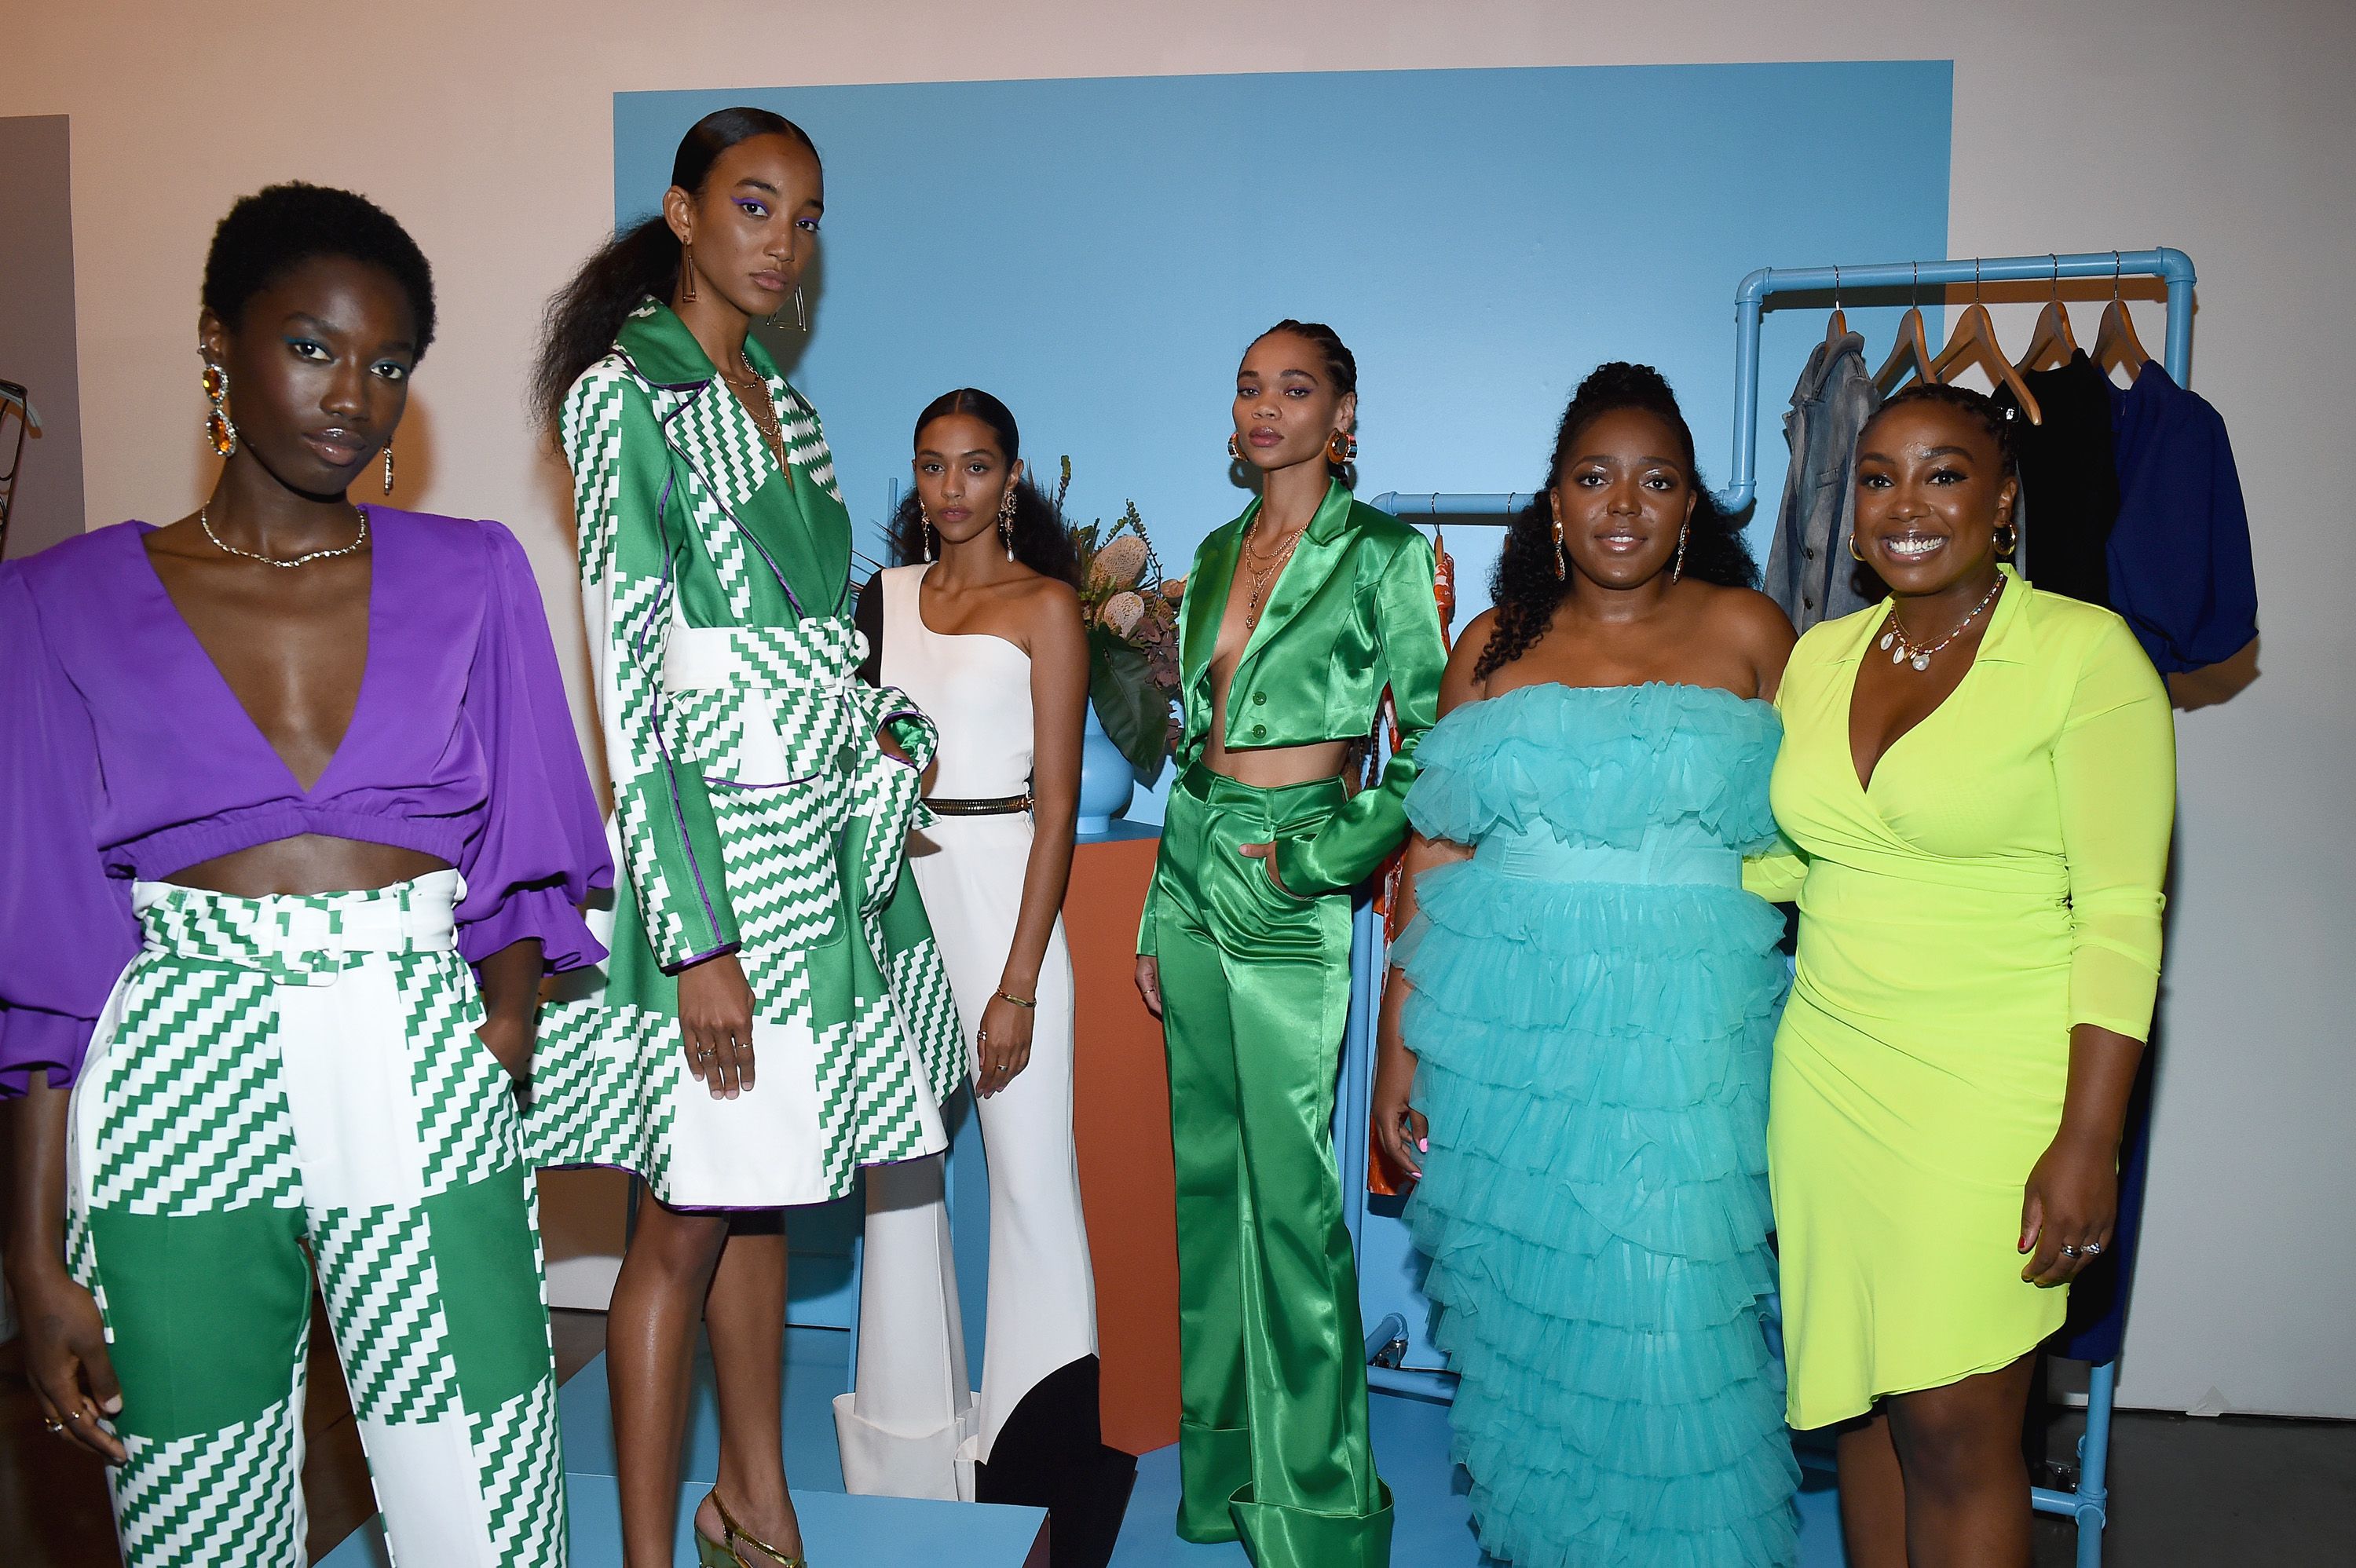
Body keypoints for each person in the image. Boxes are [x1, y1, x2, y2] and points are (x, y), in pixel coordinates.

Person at [0, 182, 609, 1568]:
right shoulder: (54, 602)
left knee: (488, 1510)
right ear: (220, 340)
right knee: (199, 1523)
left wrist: (497, 1033)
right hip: (177, 1061)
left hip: (417, 1037)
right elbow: (43, 961)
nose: (356, 395)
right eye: (315, 345)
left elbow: (522, 852)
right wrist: (33, 1259)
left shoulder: (473, 573)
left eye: (390, 365)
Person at [527, 108, 964, 1568]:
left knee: (762, 1188)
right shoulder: (623, 395)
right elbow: (630, 677)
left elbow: (812, 635)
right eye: (756, 205)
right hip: (709, 860)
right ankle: (656, 1551)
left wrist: (879, 734)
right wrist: (693, 935)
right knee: (678, 1224)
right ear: (683, 212)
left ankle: (756, 1501)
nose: (785, 240)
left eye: (808, 215)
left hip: (814, 849)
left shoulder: (788, 403)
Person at [1372, 363, 1801, 1566]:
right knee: (1530, 1334)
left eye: (1657, 479)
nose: (1624, 502)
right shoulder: (1489, 648)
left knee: (1674, 1336)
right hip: (1508, 1046)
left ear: (1692, 503)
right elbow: (1437, 854)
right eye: (1595, 476)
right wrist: (1404, 1045)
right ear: (1552, 502)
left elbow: (1829, 836)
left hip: (1688, 1045)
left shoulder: (1751, 633)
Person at [1754, 383, 2174, 1567]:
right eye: (1878, 477)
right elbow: (1787, 862)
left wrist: (2088, 1138)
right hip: (1831, 1078)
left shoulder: (2086, 658)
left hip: (1997, 1085)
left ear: (2002, 503)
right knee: (1865, 1415)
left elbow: (2122, 918)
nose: (1905, 503)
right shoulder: (1819, 658)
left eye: (1943, 474)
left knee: (1954, 1426)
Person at [1133, 320, 1446, 1567]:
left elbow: (1429, 749)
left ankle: (1317, 1511)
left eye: (1295, 388)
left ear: (1342, 411)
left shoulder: (1387, 558)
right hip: (1197, 872)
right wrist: (1165, 901)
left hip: (1293, 877)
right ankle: (1221, 1480)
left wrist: (1320, 856)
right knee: (1208, 1193)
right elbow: (1197, 743)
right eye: (1251, 387)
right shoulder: (1214, 554)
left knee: (1299, 1209)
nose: (1267, 407)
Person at [836, 389, 1134, 1566]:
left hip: (1008, 890)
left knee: (1029, 1187)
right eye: (932, 466)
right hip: (901, 898)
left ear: (1012, 480)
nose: (951, 488)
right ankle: (909, 1471)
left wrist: (1016, 982)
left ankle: (1043, 1473)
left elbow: (1059, 807)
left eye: (974, 467)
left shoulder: (1048, 607)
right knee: (899, 1182)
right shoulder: (884, 601)